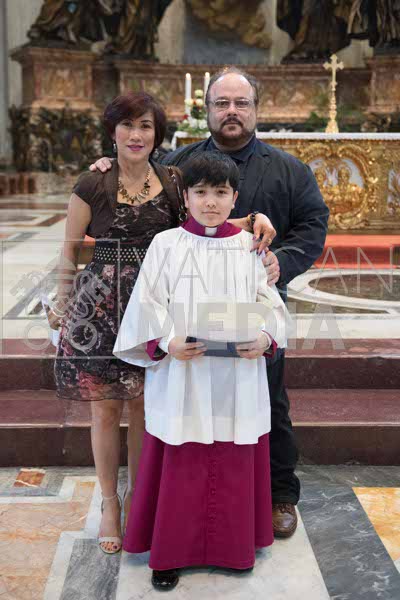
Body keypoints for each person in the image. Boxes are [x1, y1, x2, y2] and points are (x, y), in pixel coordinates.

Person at [90, 66, 330, 538]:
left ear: (256, 109)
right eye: (222, 103)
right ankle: (184, 508)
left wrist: (279, 262)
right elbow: (147, 197)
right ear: (207, 110)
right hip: (186, 309)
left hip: (252, 301)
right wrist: (108, 164)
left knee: (267, 399)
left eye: (241, 103)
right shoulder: (175, 165)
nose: (232, 111)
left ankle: (280, 493)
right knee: (189, 407)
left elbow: (312, 225)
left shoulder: (289, 169)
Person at [52, 89, 277, 555]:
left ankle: (141, 500)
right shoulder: (91, 182)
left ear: (158, 136)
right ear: (112, 131)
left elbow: (207, 214)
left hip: (161, 306)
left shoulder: (173, 179)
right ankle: (109, 504)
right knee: (104, 410)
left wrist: (256, 219)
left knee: (145, 408)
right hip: (103, 308)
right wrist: (62, 303)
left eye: (146, 126)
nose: (136, 135)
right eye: (127, 125)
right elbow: (70, 251)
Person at [113, 151, 288, 590]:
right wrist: (166, 341)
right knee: (182, 458)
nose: (211, 202)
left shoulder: (249, 246)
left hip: (236, 377)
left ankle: (233, 548)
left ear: (235, 199)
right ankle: (170, 554)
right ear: (186, 197)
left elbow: (269, 302)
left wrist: (264, 337)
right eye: (201, 192)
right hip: (183, 372)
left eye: (221, 193)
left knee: (232, 451)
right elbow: (147, 303)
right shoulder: (166, 244)